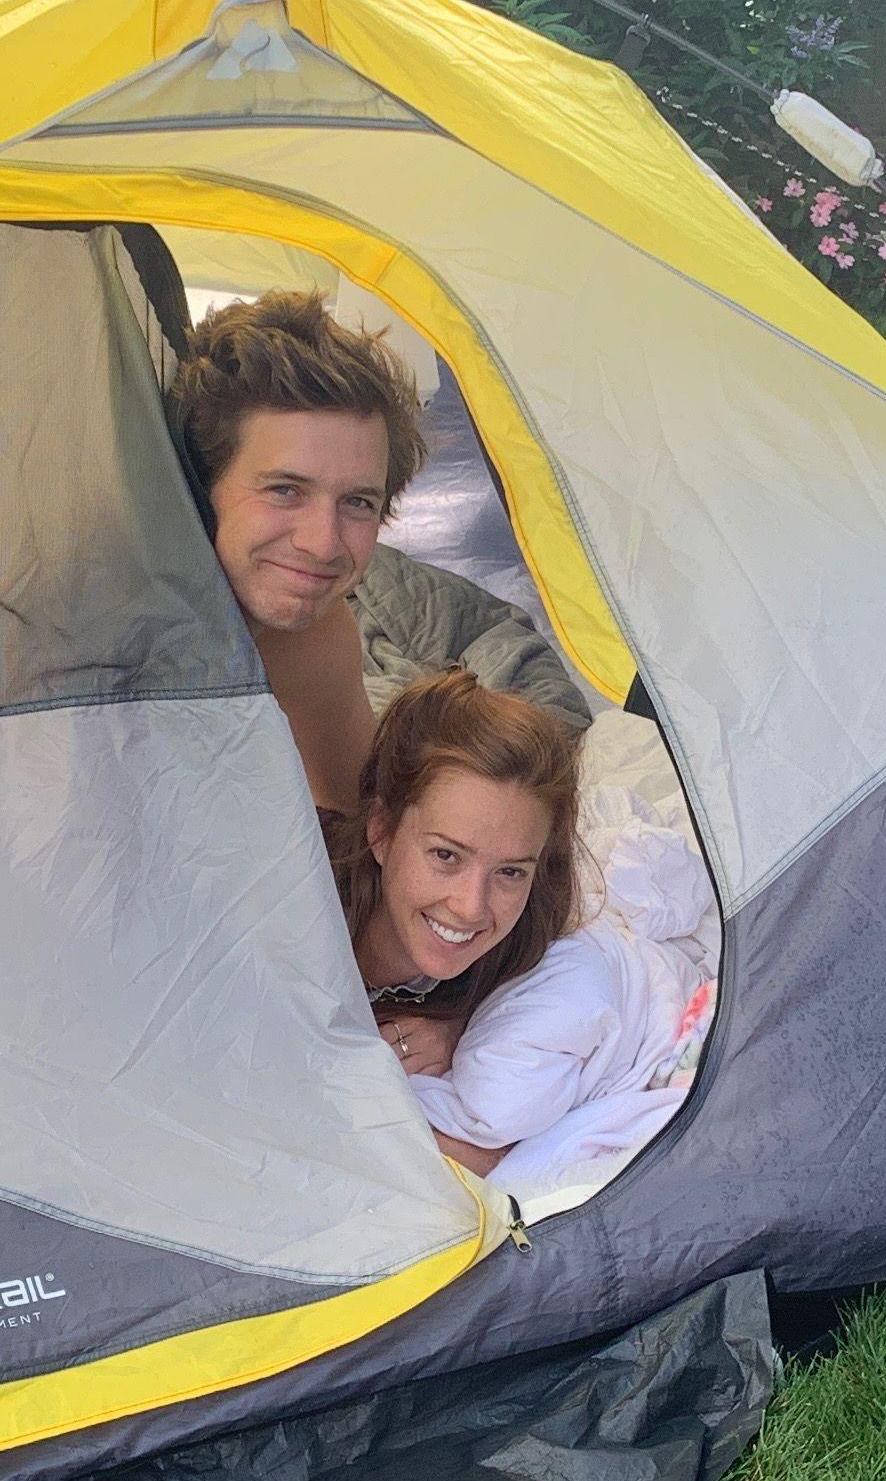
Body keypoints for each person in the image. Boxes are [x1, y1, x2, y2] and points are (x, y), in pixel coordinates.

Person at [167, 287, 594, 809]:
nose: (323, 543)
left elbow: (360, 824)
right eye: (285, 490)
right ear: (202, 484)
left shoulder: (313, 640)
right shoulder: (104, 629)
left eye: (358, 503)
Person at [327, 671, 584, 1168]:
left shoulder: (526, 941)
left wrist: (461, 1032)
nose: (471, 906)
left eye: (509, 871)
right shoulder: (295, 911)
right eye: (446, 855)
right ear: (382, 831)